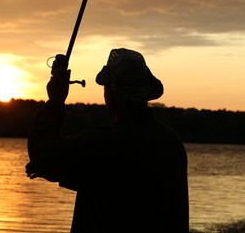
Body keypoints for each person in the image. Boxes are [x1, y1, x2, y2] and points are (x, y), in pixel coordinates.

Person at [26, 48, 189, 232]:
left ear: (111, 93)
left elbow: (43, 154)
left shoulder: (105, 144)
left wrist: (55, 101)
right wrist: (55, 167)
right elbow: (116, 185)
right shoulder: (172, 143)